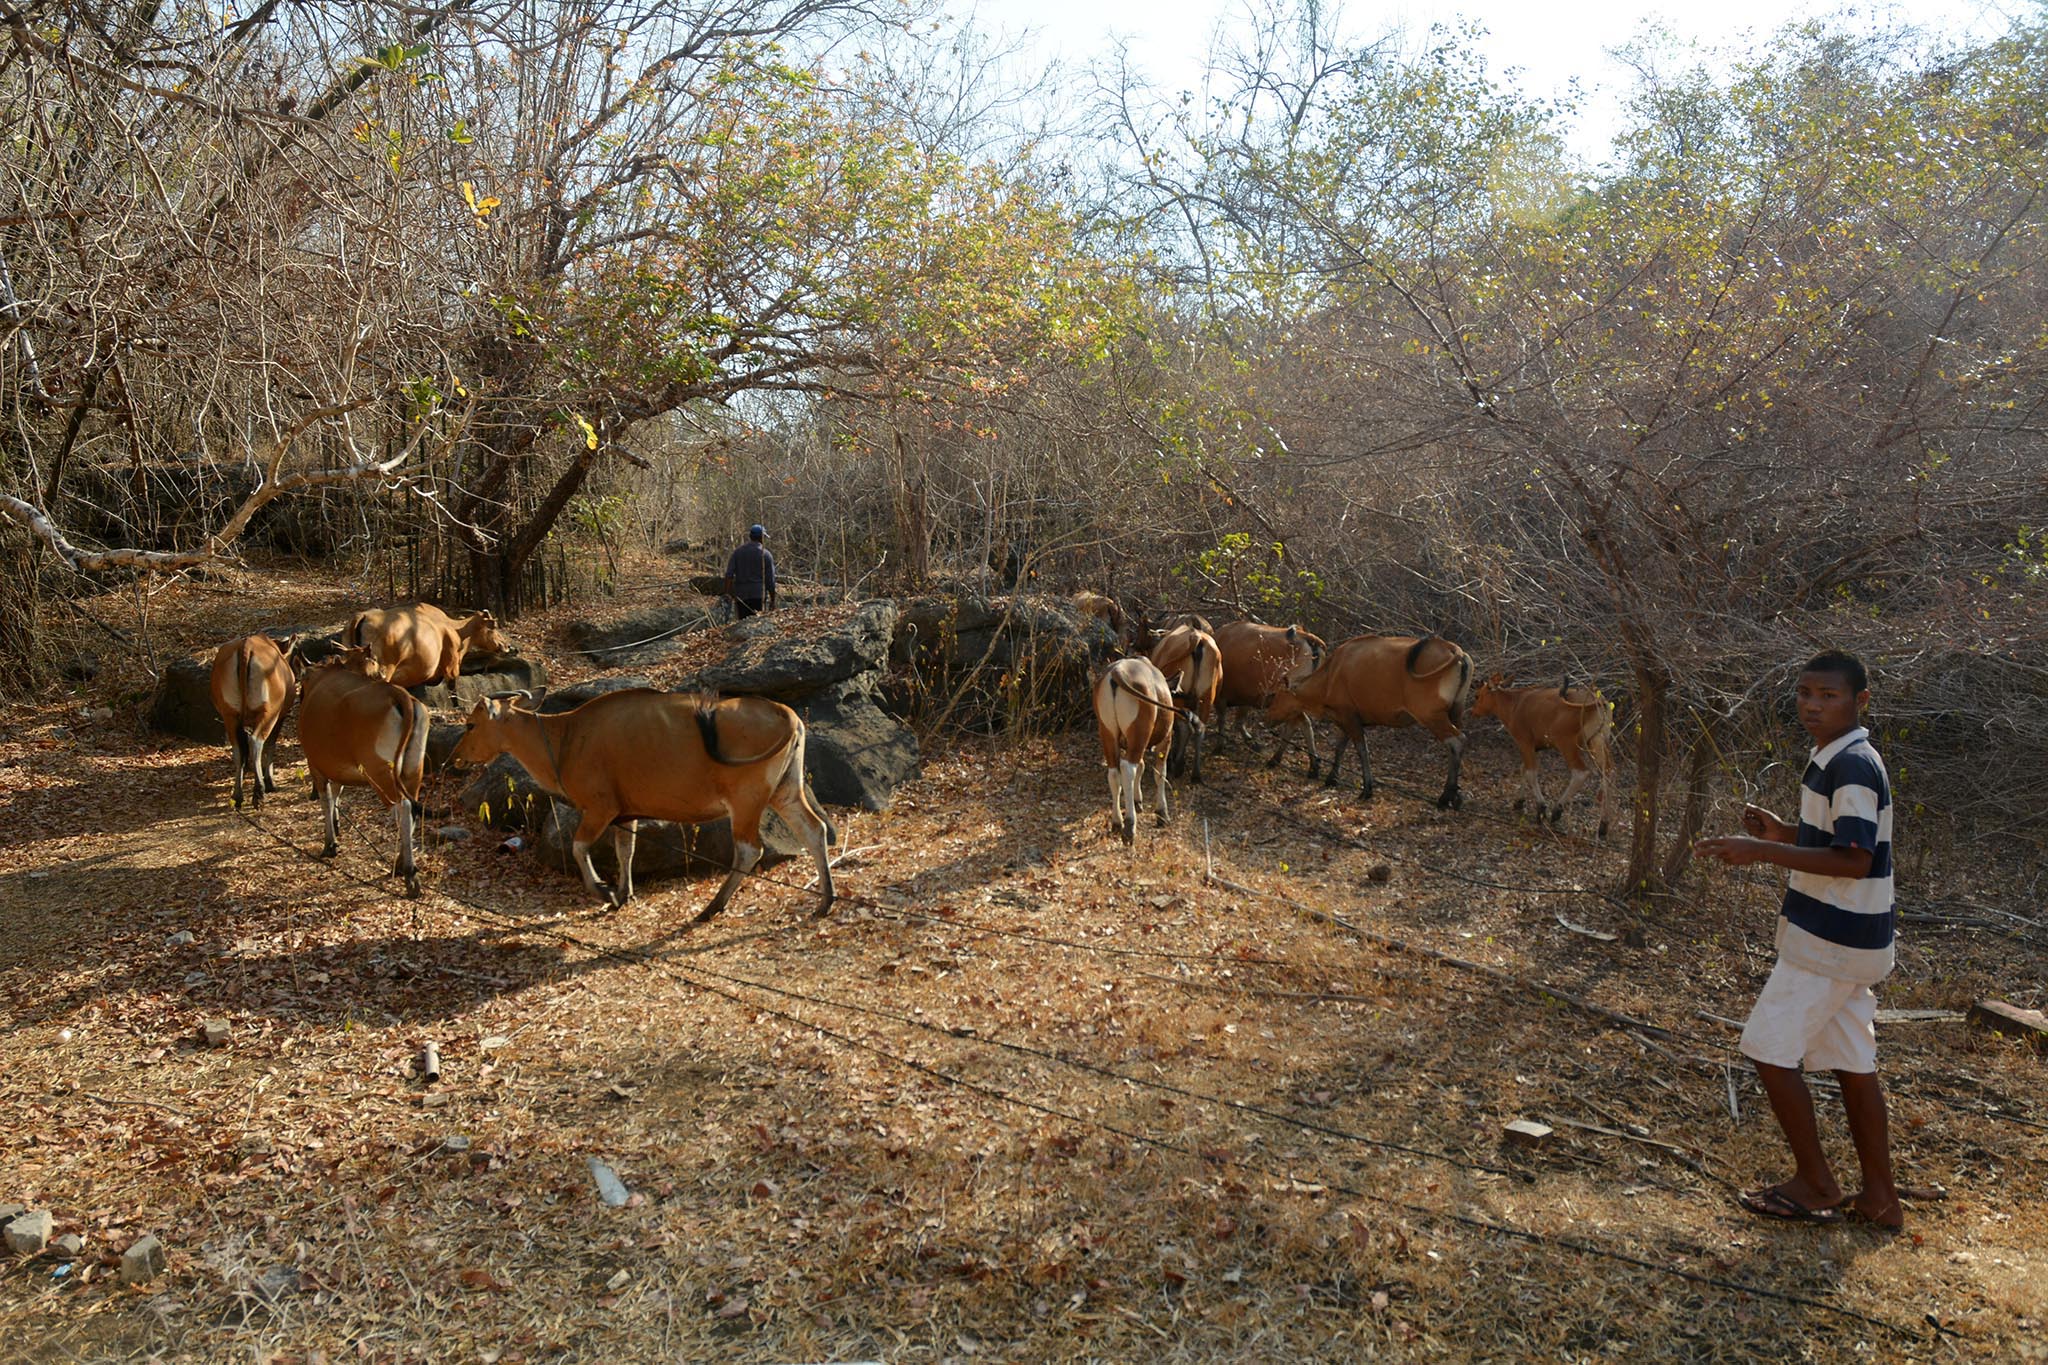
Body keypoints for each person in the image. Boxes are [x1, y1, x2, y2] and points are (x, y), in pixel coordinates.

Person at [1696, 649, 1903, 1230]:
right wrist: (1785, 833)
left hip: (1831, 940)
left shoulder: (1853, 765)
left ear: (1860, 701)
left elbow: (1856, 860)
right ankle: (1881, 1198)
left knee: (1766, 1048)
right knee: (1852, 1062)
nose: (1813, 705)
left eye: (1828, 696)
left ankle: (1815, 1183)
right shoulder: (1836, 756)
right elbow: (1842, 841)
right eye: (1805, 694)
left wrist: (1762, 851)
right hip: (1853, 939)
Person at [723, 524, 777, 619]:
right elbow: (770, 580)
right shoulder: (766, 554)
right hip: (758, 594)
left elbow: (729, 575)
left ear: (750, 536)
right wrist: (773, 600)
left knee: (742, 622)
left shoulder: (737, 552)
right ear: (762, 538)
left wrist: (727, 593)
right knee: (757, 623)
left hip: (741, 595)